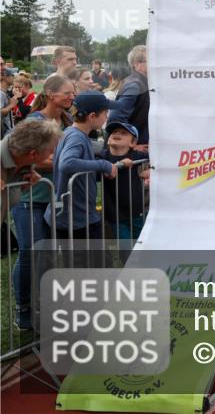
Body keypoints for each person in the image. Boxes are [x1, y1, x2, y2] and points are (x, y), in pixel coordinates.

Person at [2, 119, 62, 330]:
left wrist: (23, 180)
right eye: (52, 150)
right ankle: (24, 309)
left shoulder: (19, 157)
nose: (54, 155)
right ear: (35, 153)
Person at [46, 92, 128, 240]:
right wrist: (103, 165)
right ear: (92, 117)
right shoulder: (76, 137)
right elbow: (67, 163)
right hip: (77, 218)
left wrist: (102, 170)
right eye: (105, 113)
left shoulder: (73, 133)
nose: (107, 117)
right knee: (93, 262)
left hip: (77, 214)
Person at [99, 122, 147, 240]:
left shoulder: (136, 155)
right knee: (126, 251)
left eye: (124, 133)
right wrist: (117, 165)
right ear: (108, 139)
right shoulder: (101, 156)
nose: (118, 134)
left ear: (133, 143)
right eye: (114, 132)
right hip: (114, 215)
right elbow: (94, 170)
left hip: (137, 212)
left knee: (140, 245)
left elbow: (158, 159)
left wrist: (151, 170)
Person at [108, 45, 149, 149]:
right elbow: (115, 118)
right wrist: (132, 145)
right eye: (150, 60)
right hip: (127, 154)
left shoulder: (144, 83)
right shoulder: (134, 85)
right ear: (137, 64)